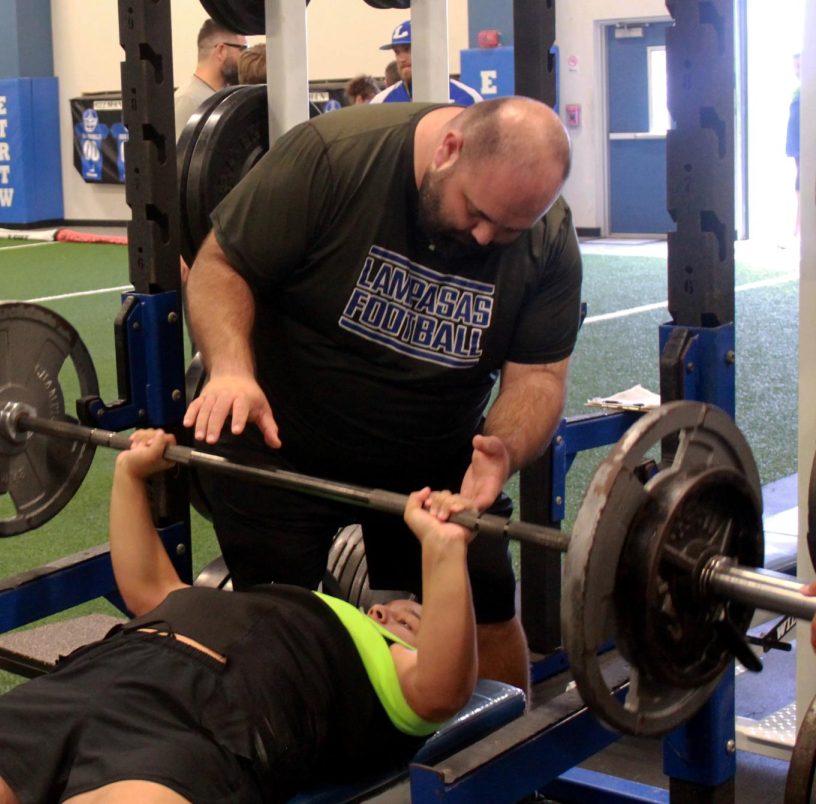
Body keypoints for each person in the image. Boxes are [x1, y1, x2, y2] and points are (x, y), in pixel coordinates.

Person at [0, 429, 480, 803]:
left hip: (195, 731)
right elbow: (148, 585)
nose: (407, 613)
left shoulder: (384, 673)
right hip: (90, 682)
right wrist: (129, 473)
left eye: (422, 618)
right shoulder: (272, 600)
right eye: (410, 605)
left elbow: (445, 688)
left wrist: (443, 553)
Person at [183, 96, 581, 694]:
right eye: (476, 212)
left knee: (486, 606)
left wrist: (503, 447)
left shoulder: (546, 237)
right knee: (278, 627)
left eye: (507, 230)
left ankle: (497, 761)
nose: (484, 237)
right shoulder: (332, 158)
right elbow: (220, 265)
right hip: (284, 442)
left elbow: (539, 378)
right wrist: (232, 369)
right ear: (449, 150)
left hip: (433, 460)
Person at [372, 20, 483, 107]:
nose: (401, 59)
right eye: (397, 52)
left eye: (407, 49)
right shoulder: (381, 102)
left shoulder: (467, 98)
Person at [174, 18, 248, 139]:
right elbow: (182, 157)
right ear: (221, 51)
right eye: (243, 49)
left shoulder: (218, 98)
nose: (245, 57)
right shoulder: (188, 102)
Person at [787, 52, 802, 239]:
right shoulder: (798, 90)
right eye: (795, 67)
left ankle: (797, 229)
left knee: (802, 184)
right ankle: (797, 228)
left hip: (802, 144)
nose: (797, 71)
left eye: (800, 66)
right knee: (800, 183)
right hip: (797, 144)